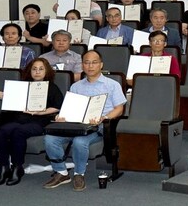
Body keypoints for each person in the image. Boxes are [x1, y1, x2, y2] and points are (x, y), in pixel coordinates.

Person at [41, 50, 127, 191]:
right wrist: (62, 117)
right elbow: (69, 107)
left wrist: (104, 118)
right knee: (50, 139)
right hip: (75, 125)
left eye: (94, 62)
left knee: (79, 141)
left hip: (97, 125)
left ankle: (79, 174)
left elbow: (119, 109)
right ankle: (62, 173)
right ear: (82, 65)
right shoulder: (76, 86)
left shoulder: (112, 85)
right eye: (86, 62)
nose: (90, 66)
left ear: (101, 65)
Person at [0, 57, 64, 186]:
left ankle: (17, 167)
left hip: (40, 121)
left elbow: (57, 107)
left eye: (41, 69)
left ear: (46, 71)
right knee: (1, 131)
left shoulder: (52, 87)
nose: (37, 72)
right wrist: (4, 96)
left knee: (18, 132)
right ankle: (3, 168)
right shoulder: (23, 86)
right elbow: (13, 102)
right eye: (34, 69)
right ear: (30, 71)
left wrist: (40, 112)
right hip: (21, 118)